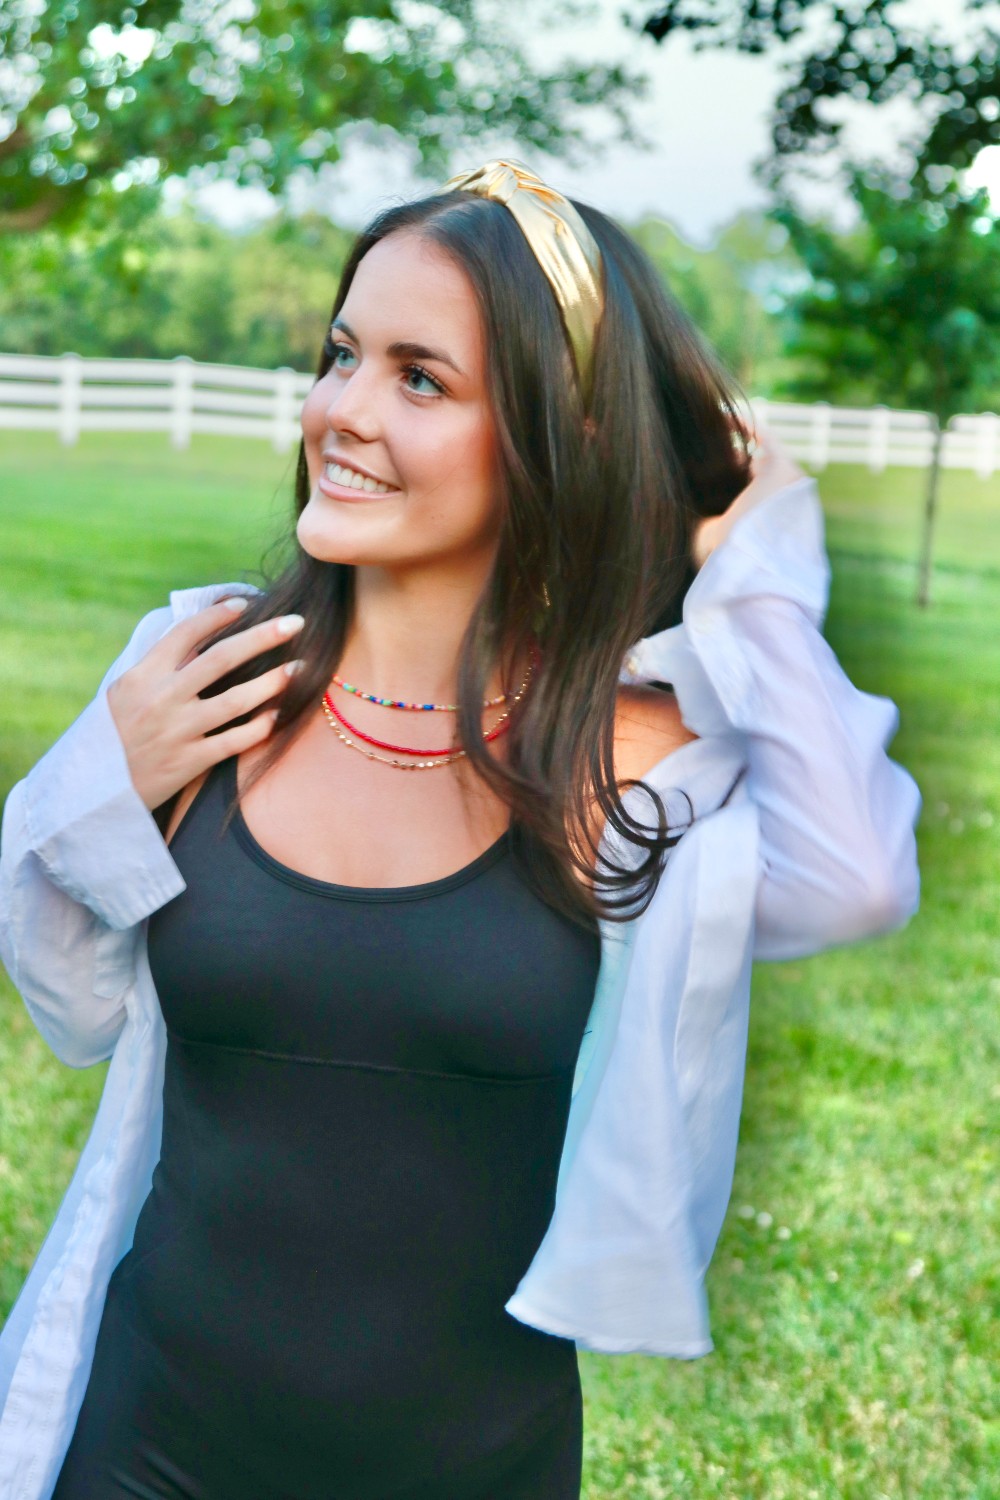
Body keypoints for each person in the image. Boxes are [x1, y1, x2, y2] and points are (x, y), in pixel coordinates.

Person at [0, 160, 921, 1500]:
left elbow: (854, 877)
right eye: (342, 355)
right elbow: (66, 992)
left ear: (558, 437)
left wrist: (759, 569)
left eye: (420, 379)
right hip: (147, 1449)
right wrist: (104, 781)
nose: (344, 411)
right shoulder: (203, 673)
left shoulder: (629, 756)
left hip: (475, 1468)